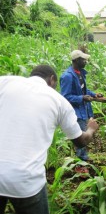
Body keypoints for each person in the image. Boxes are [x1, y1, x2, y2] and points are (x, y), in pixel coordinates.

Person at [0, 65, 99, 214]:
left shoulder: (5, 82)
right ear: (52, 80)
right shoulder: (59, 101)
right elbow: (80, 142)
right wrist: (91, 129)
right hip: (26, 179)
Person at [60, 50, 104, 174]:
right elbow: (65, 97)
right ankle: (80, 166)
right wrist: (82, 98)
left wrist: (94, 94)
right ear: (76, 60)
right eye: (83, 59)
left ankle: (83, 161)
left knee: (84, 135)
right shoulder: (67, 76)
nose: (86, 61)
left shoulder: (79, 73)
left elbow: (83, 90)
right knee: (80, 139)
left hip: (83, 110)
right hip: (76, 112)